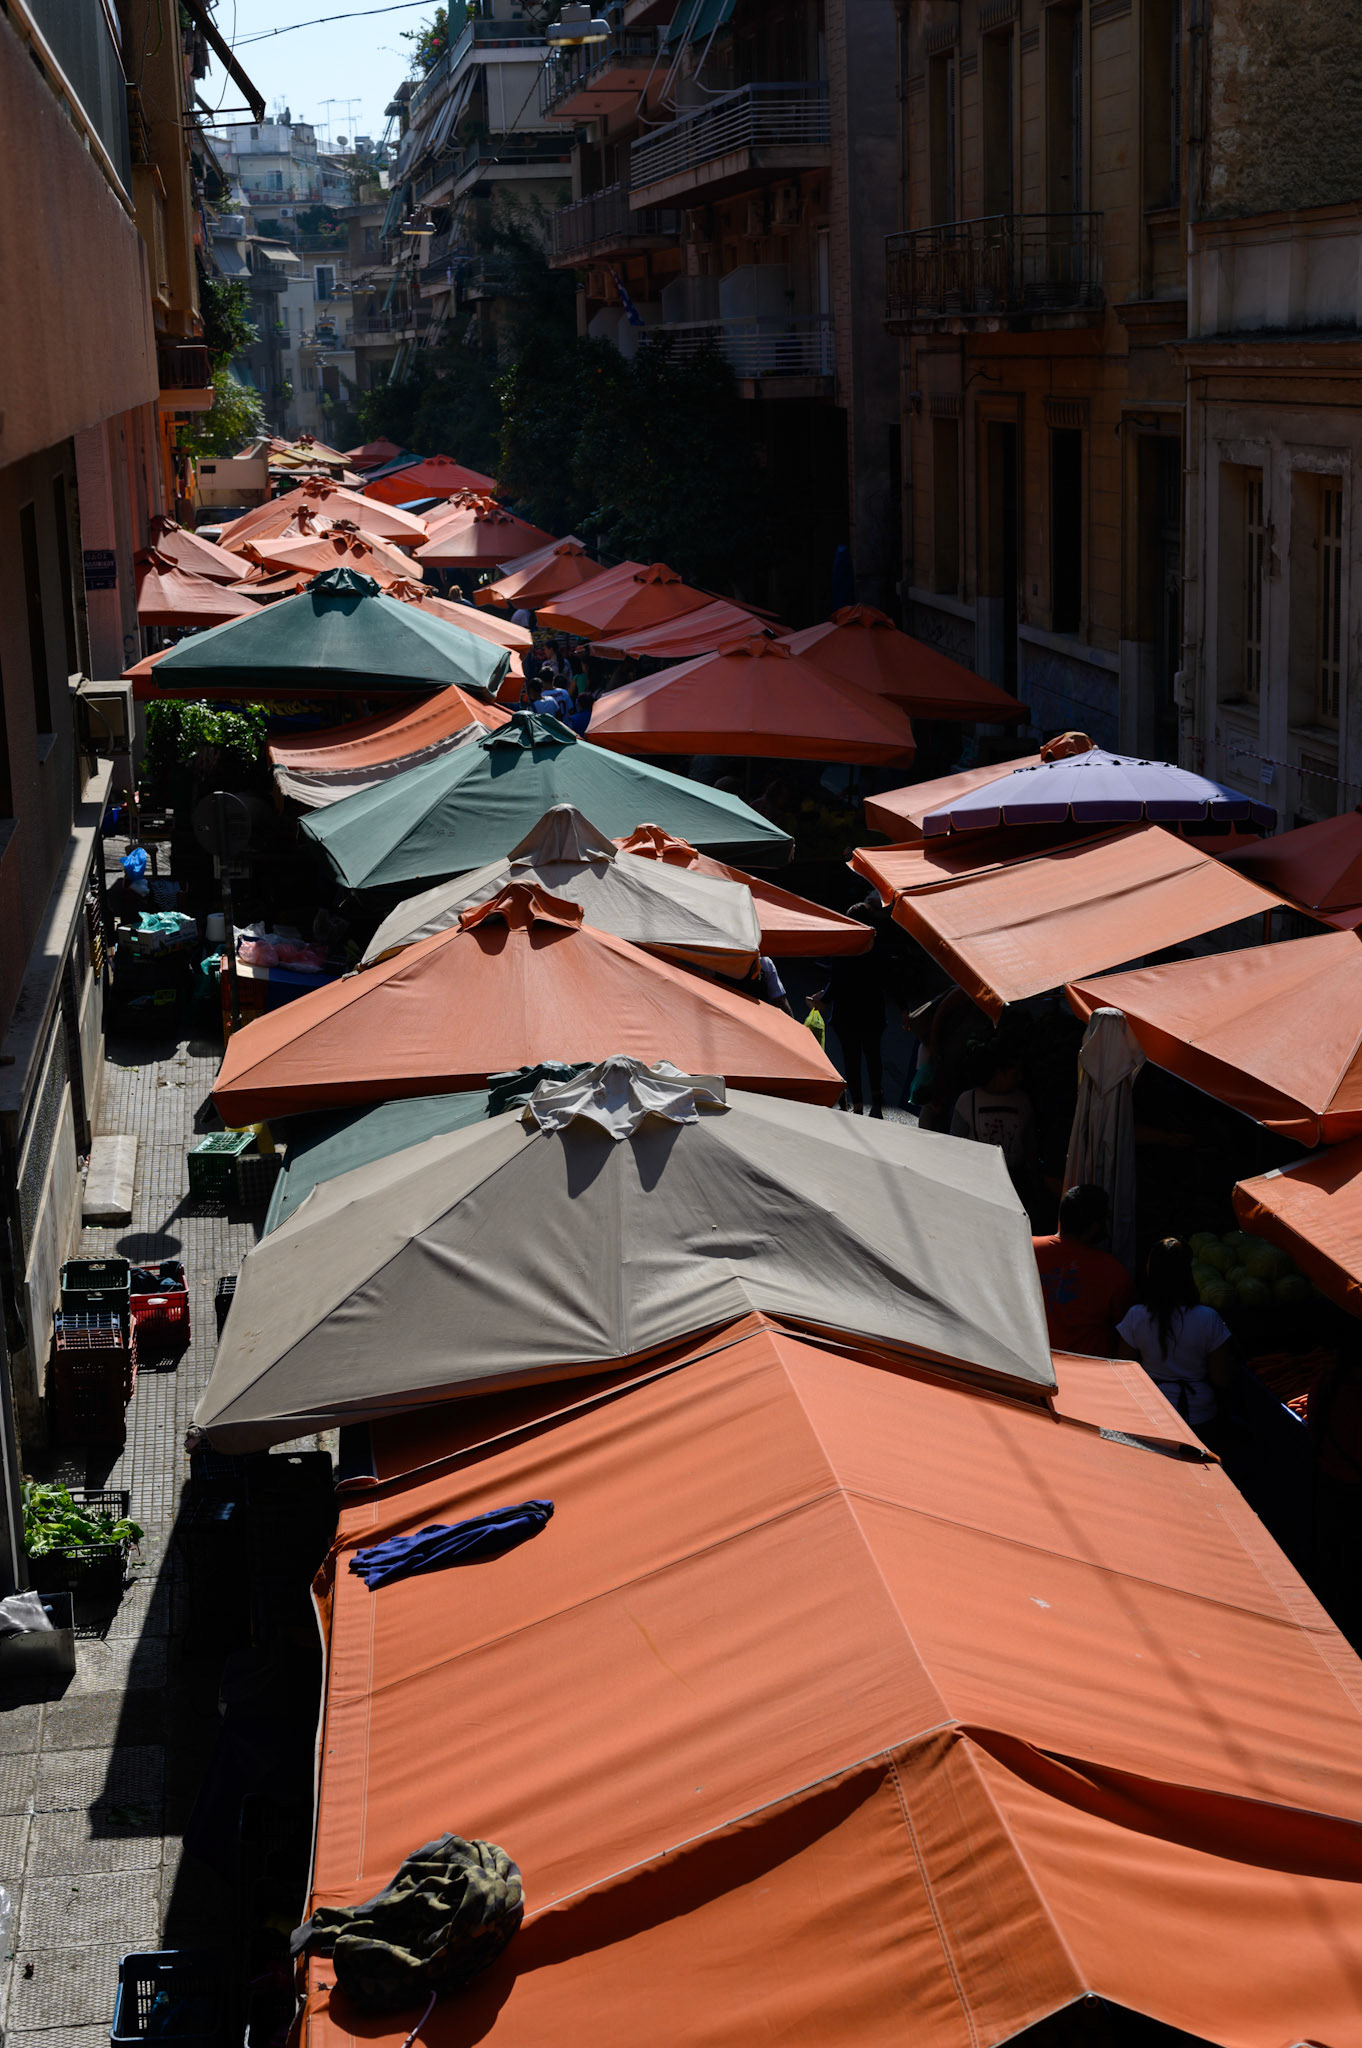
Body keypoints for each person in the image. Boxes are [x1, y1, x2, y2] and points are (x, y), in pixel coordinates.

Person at [1117, 1237, 1231, 1436]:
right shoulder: (1208, 1318)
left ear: (1151, 1272)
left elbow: (1124, 1373)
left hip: (1153, 1413)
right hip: (1201, 1415)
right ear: (1188, 1273)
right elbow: (1221, 1378)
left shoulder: (1136, 1316)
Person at [812, 896, 910, 1117]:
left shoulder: (843, 949)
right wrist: (904, 1008)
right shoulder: (878, 949)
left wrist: (822, 1000)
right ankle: (876, 1103)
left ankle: (857, 1105)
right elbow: (890, 981)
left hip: (846, 1017)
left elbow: (836, 982)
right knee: (873, 1057)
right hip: (872, 1014)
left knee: (851, 1059)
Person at [1032, 1184, 1133, 1357]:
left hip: (1034, 1368)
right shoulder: (1113, 1273)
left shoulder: (1026, 1250)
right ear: (1095, 1227)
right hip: (1086, 1375)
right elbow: (1128, 1334)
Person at [950, 1027, 1036, 1175]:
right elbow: (955, 1145)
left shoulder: (1022, 1100)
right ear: (998, 1073)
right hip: (979, 1173)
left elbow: (1030, 1144)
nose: (1020, 1078)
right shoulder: (967, 1100)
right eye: (1014, 1074)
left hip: (1016, 1174)